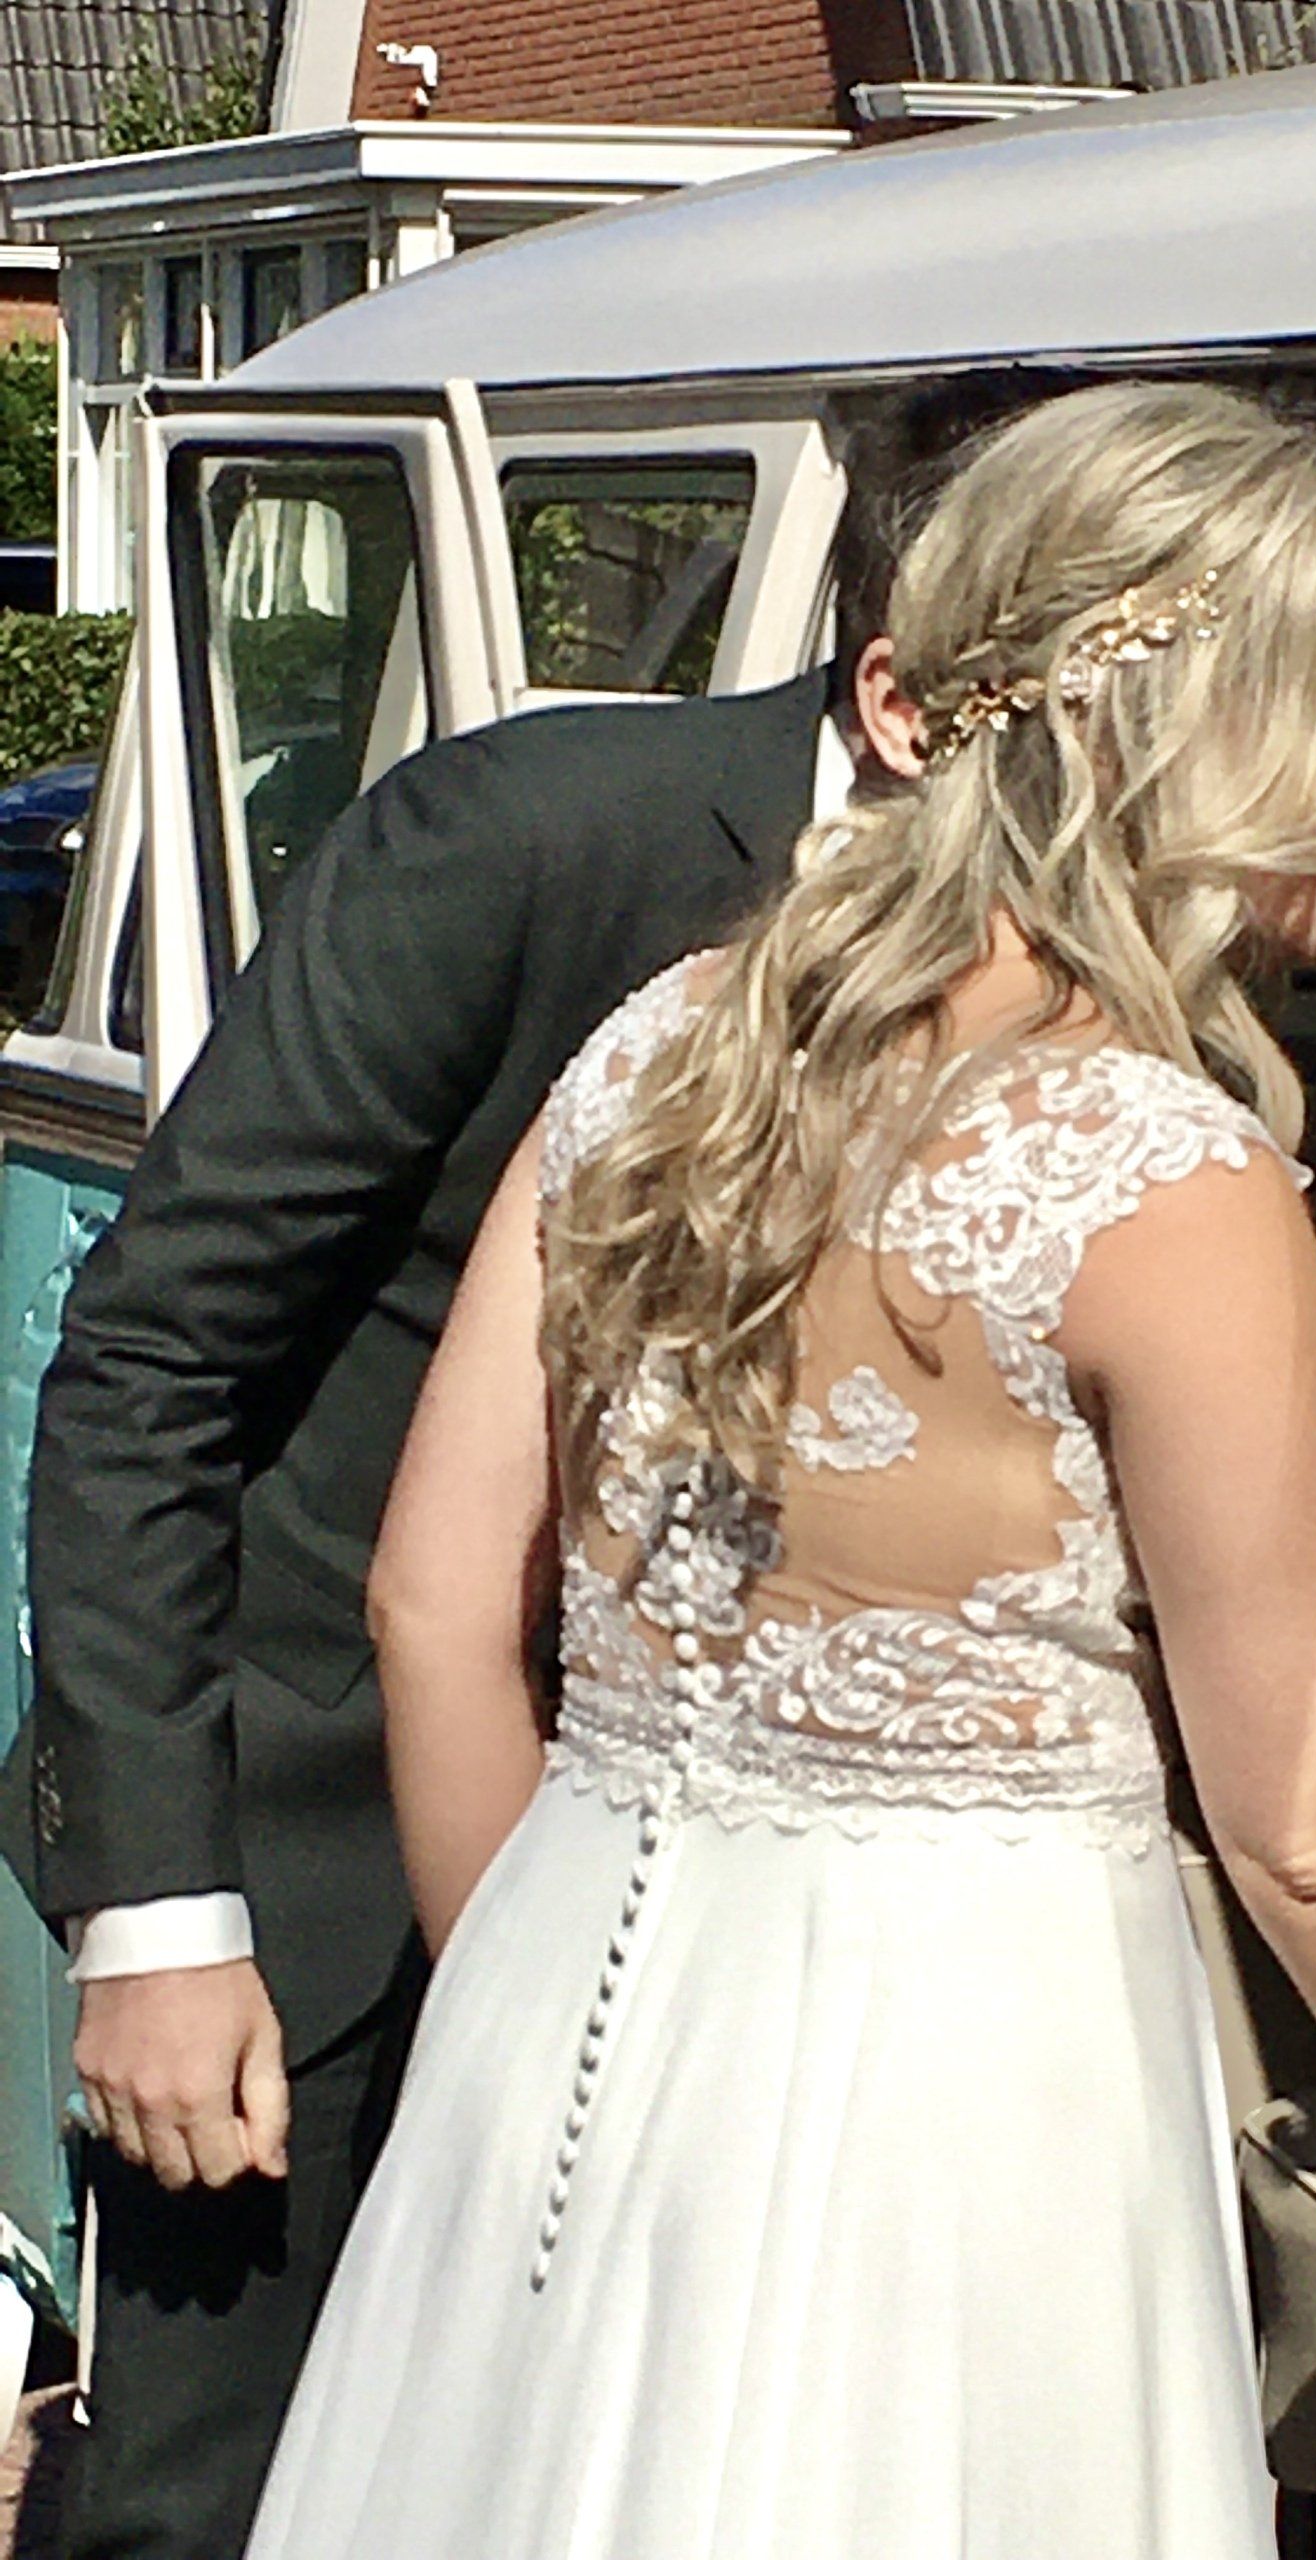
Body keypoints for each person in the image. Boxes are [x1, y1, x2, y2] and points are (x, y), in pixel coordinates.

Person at [239, 380, 1316, 2558]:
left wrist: (521, 2037)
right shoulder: (1166, 1178)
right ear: (1172, 729)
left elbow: (434, 1605)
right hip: (962, 2107)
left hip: (557, 2008)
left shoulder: (657, 1052)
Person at [0, 526, 892, 2550]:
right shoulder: (526, 841)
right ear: (917, 695)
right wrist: (160, 1913)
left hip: (764, 1886)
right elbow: (154, 1358)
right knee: (226, 2497)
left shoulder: (1130, 971)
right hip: (315, 1874)